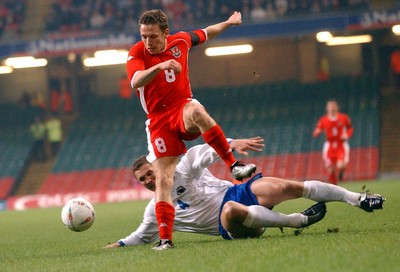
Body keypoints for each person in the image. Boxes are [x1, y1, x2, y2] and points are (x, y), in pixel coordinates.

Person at [104, 137, 384, 249]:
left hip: (239, 193)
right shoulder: (156, 210)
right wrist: (113, 247)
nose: (149, 180)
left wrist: (232, 143)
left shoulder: (182, 164)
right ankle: (297, 220)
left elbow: (208, 150)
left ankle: (358, 199)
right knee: (230, 211)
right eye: (143, 180)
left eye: (150, 173)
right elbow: (138, 237)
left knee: (285, 186)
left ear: (157, 164)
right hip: (230, 224)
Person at [126, 9, 257, 249]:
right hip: (157, 121)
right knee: (164, 179)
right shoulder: (137, 52)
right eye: (143, 36)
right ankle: (166, 240)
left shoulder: (182, 41)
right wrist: (161, 66)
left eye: (153, 36)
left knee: (197, 111)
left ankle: (233, 165)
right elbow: (135, 80)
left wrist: (229, 22)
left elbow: (207, 33)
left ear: (166, 33)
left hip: (181, 108)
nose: (147, 41)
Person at [313, 99, 353, 184]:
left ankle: (341, 173)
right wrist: (317, 132)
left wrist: (347, 135)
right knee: (330, 169)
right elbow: (316, 131)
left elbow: (350, 128)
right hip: (329, 146)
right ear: (327, 108)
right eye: (330, 106)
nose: (332, 108)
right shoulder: (323, 120)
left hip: (341, 145)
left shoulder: (343, 117)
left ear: (337, 107)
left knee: (340, 165)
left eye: (333, 106)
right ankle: (334, 186)